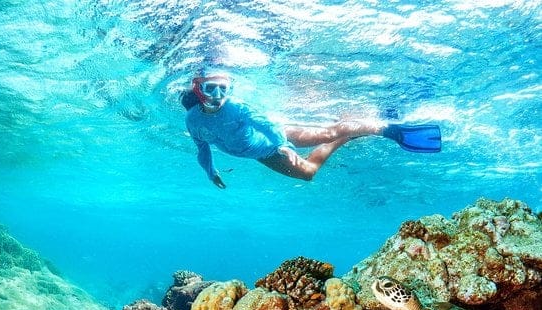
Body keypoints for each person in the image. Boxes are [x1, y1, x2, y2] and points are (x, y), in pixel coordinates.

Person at [182, 70, 441, 189]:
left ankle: (390, 130)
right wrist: (210, 172)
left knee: (329, 132)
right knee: (308, 173)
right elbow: (202, 148)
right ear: (199, 89)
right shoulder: (193, 121)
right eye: (210, 88)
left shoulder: (236, 107)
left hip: (277, 139)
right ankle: (352, 132)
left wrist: (283, 145)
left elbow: (266, 124)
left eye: (223, 89)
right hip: (261, 154)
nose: (218, 95)